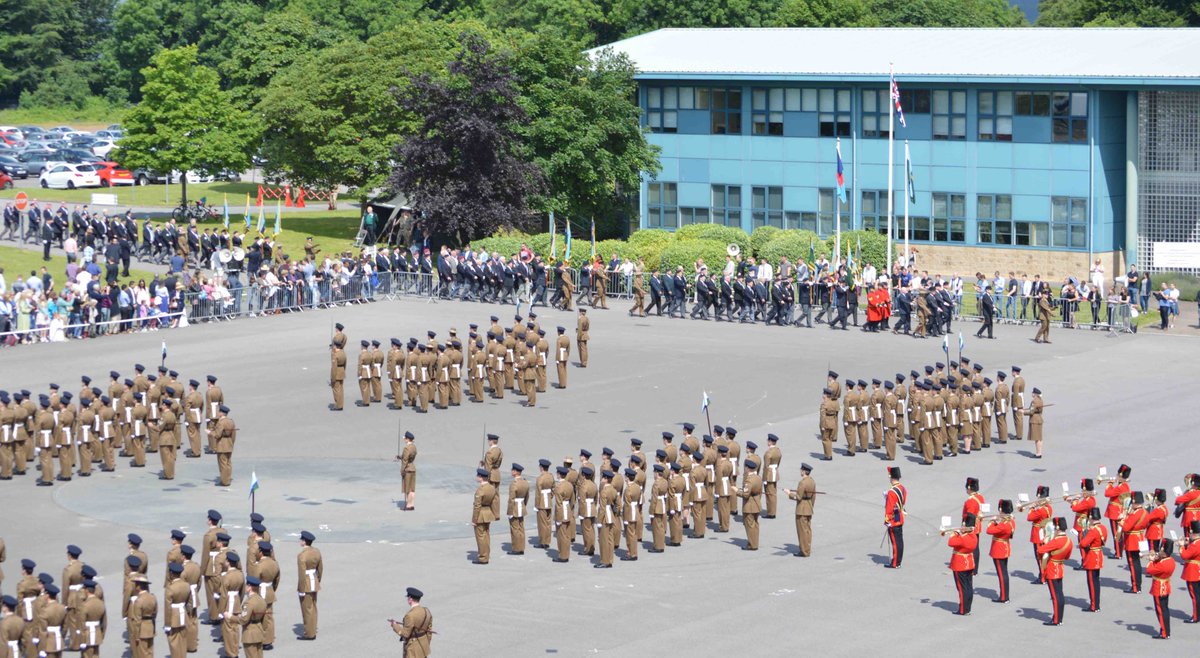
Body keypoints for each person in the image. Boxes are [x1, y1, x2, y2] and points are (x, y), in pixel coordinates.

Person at [1037, 517, 1072, 625]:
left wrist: (1043, 539)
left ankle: (1056, 619)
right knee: (1060, 595)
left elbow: (1040, 550)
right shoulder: (1068, 540)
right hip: (1060, 568)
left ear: (1057, 527)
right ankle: (1059, 617)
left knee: (1055, 596)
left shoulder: (1056, 541)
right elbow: (1067, 557)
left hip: (1052, 569)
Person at [389, 587, 433, 657]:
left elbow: (405, 634)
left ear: (410, 599)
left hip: (413, 649)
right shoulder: (427, 611)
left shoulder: (410, 615)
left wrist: (395, 625)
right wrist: (426, 643)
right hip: (424, 647)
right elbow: (429, 631)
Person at [947, 516, 977, 616]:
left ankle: (963, 609)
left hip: (959, 564)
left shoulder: (963, 538)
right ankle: (968, 608)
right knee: (968, 587)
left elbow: (951, 542)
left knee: (961, 588)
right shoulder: (973, 536)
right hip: (969, 563)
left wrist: (954, 534)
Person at [987, 500, 1016, 603]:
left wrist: (992, 521)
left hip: (999, 549)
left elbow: (989, 530)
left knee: (1001, 573)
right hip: (1004, 547)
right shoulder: (1010, 521)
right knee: (1003, 573)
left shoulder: (1004, 524)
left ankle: (1004, 597)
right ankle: (1004, 595)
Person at [784, 463, 816, 557]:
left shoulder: (803, 482)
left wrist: (789, 493)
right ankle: (807, 547)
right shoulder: (812, 481)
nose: (800, 471)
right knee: (807, 530)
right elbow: (814, 496)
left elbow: (798, 497)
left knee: (802, 531)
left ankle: (804, 551)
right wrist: (811, 507)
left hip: (802, 509)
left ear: (803, 471)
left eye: (801, 470)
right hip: (809, 507)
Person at [1079, 508, 1106, 613]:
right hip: (1098, 554)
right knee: (1096, 581)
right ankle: (1096, 604)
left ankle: (1094, 606)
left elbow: (1083, 544)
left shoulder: (1093, 530)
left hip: (1091, 557)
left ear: (1091, 517)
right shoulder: (1102, 528)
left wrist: (1083, 534)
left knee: (1092, 582)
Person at [1146, 540, 1176, 639]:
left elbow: (1150, 570)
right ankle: (1166, 631)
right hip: (1166, 585)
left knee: (1160, 610)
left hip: (1159, 587)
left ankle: (1164, 632)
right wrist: (1157, 558)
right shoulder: (1170, 560)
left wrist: (1151, 560)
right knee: (1165, 609)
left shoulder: (1163, 564)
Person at [296, 530, 322, 640]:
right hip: (314, 581)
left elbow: (301, 574)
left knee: (306, 609)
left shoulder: (302, 555)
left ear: (304, 541)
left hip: (306, 583)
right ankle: (312, 628)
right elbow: (320, 569)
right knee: (313, 607)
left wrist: (301, 588)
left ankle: (309, 633)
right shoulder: (316, 551)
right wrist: (317, 580)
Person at [734, 458, 762, 550]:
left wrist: (737, 491)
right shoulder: (758, 477)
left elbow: (746, 494)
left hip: (749, 506)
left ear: (747, 468)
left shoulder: (749, 480)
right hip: (756, 504)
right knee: (755, 525)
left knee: (749, 526)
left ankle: (752, 545)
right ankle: (755, 542)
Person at [471, 468, 496, 565]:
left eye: (478, 476)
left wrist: (474, 519)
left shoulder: (480, 490)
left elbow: (477, 506)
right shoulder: (491, 487)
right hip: (488, 513)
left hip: (481, 514)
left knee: (480, 537)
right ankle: (486, 554)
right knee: (486, 535)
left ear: (481, 477)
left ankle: (482, 557)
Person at [884, 466, 906, 569]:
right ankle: (898, 561)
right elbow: (902, 502)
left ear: (891, 477)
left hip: (894, 519)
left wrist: (887, 521)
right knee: (899, 541)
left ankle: (895, 563)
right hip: (900, 516)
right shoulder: (902, 488)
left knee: (895, 542)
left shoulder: (891, 492)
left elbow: (889, 509)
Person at [507, 463, 529, 556]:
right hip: (522, 506)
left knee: (515, 529)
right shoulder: (525, 482)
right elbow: (527, 496)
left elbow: (511, 499)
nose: (511, 471)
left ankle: (516, 548)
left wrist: (510, 511)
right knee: (521, 528)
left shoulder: (514, 484)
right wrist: (524, 505)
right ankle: (521, 547)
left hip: (515, 507)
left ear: (515, 472)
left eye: (513, 470)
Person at [1180, 521, 1200, 624]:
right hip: (1198, 569)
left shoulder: (1195, 545)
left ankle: (1196, 616)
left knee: (1194, 596)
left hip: (1192, 571)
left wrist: (1182, 546)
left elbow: (1185, 556)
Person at [398, 431, 417, 511]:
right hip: (413, 468)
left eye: (405, 438)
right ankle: (412, 505)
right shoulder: (414, 447)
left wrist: (402, 470)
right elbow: (409, 457)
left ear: (407, 439)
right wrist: (400, 457)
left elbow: (405, 461)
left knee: (407, 489)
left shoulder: (406, 448)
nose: (404, 440)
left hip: (408, 470)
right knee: (412, 489)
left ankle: (408, 506)